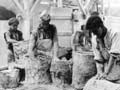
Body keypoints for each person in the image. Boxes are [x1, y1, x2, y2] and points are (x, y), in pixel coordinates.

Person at [83, 15, 120, 90]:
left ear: (101, 26)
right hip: (108, 71)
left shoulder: (115, 34)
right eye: (93, 32)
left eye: (96, 31)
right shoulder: (95, 39)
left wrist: (106, 73)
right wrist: (99, 72)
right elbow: (98, 59)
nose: (95, 34)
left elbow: (113, 56)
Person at [28, 13, 59, 84]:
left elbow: (55, 42)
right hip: (40, 54)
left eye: (47, 23)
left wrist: (55, 56)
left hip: (50, 53)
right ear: (40, 21)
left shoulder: (53, 28)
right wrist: (33, 60)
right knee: (41, 76)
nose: (46, 25)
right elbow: (30, 48)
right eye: (44, 23)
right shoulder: (35, 31)